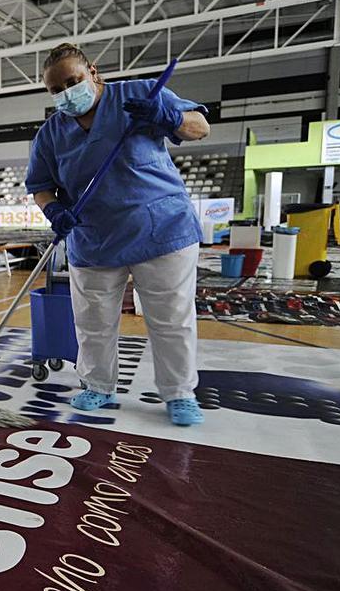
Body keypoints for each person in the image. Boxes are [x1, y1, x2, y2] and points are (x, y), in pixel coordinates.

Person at [25, 43, 211, 426]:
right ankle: (98, 385)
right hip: (93, 239)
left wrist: (166, 116)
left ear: (93, 72)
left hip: (160, 230)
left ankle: (178, 393)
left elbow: (200, 127)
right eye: (56, 90)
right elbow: (40, 185)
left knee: (170, 319)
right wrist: (53, 209)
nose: (65, 94)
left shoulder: (140, 94)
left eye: (72, 82)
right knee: (92, 321)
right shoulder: (51, 133)